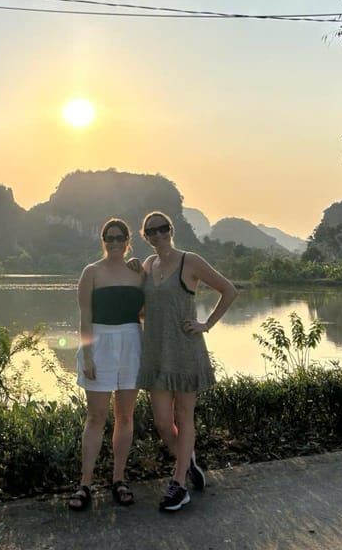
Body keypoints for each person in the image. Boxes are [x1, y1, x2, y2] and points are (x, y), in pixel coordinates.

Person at [137, 211, 238, 512]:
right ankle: (188, 458)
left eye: (162, 229)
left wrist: (206, 324)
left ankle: (179, 484)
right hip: (155, 353)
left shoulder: (189, 261)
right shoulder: (146, 265)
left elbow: (229, 291)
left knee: (184, 415)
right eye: (151, 231)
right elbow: (142, 309)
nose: (158, 235)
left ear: (171, 230)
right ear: (146, 236)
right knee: (162, 423)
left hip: (184, 350)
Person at [68, 218, 145, 511]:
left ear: (128, 241)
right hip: (99, 344)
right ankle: (85, 483)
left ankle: (118, 479)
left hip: (131, 343)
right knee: (96, 418)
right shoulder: (92, 272)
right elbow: (84, 317)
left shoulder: (139, 273)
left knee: (125, 417)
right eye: (108, 237)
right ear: (103, 240)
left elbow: (149, 310)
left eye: (119, 238)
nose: (114, 242)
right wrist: (87, 356)